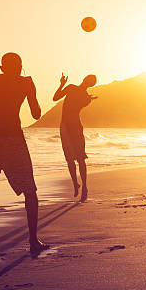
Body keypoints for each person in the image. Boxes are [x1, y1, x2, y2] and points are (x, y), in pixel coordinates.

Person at [0, 52, 47, 255]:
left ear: (1, 67)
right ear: (20, 66)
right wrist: (30, 90)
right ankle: (33, 240)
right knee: (30, 190)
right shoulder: (25, 83)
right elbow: (36, 113)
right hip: (14, 139)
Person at [53, 73, 97, 202]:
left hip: (72, 127)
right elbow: (55, 98)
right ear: (85, 79)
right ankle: (76, 184)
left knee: (79, 158)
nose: (88, 82)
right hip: (66, 127)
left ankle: (84, 187)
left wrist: (63, 85)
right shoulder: (78, 92)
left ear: (89, 83)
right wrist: (62, 84)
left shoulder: (81, 95)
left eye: (90, 81)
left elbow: (60, 100)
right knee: (71, 159)